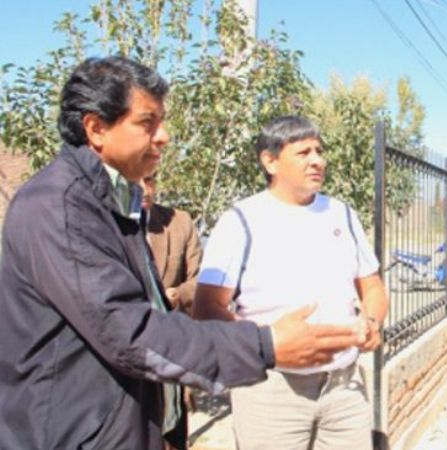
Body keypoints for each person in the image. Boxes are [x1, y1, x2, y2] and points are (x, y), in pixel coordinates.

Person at [0, 56, 360, 449]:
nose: (164, 136)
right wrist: (266, 346)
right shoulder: (61, 207)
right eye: (146, 122)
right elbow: (131, 333)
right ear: (96, 128)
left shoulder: (112, 199)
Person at [193, 115, 389, 450]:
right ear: (270, 161)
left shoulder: (342, 214)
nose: (317, 160)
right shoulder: (240, 220)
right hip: (270, 390)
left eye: (319, 150)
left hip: (344, 387)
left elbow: (372, 287)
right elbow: (208, 308)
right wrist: (266, 343)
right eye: (303, 152)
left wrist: (371, 322)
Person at [140, 171, 203, 449]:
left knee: (173, 436)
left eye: (150, 180)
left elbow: (202, 281)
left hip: (171, 357)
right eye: (136, 182)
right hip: (127, 361)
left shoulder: (178, 223)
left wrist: (177, 295)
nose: (144, 188)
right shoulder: (103, 225)